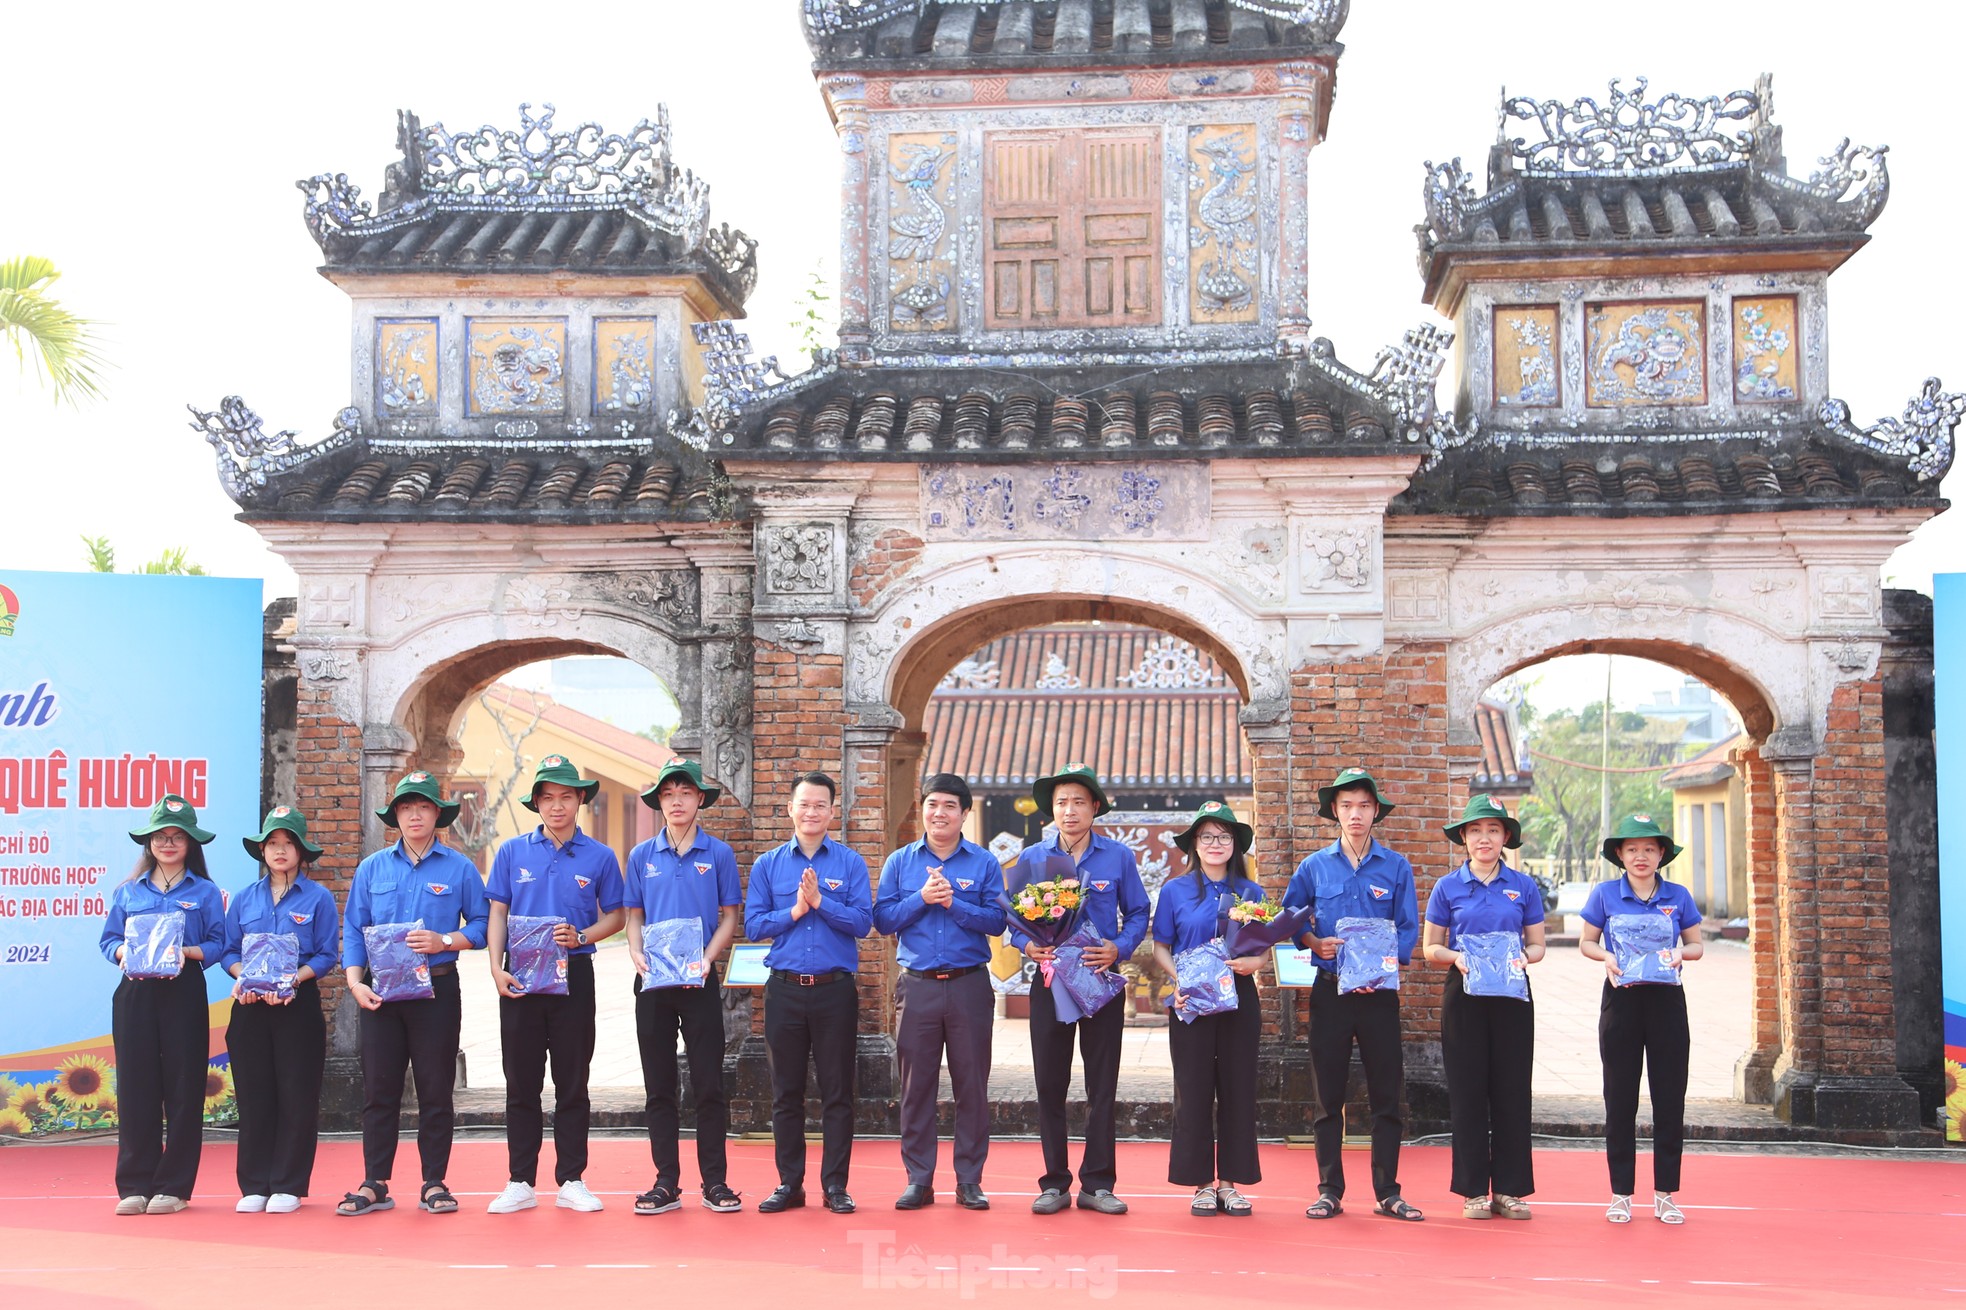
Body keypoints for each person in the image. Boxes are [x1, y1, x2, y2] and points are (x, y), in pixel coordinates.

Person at [336, 771, 488, 1218]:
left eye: (423, 806)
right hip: (381, 994)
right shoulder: (372, 868)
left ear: (437, 814)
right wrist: (354, 983)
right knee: (379, 1090)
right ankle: (374, 1182)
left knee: (435, 1089)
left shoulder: (459, 867)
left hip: (437, 990)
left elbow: (480, 927)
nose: (415, 814)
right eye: (406, 807)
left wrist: (445, 940)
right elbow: (353, 929)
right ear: (396, 816)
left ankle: (434, 1182)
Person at [484, 755, 625, 1215]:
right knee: (520, 1082)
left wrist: (582, 935)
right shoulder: (511, 852)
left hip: (574, 976)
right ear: (537, 803)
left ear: (580, 800)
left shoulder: (600, 857)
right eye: (548, 798)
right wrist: (494, 966)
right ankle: (519, 1180)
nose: (557, 806)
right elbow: (498, 913)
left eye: (566, 797)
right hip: (520, 977)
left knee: (572, 1080)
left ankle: (572, 1179)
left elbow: (617, 916)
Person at [1283, 767, 1423, 1222]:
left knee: (1387, 1095)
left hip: (1379, 997)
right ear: (1334, 812)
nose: (1356, 814)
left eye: (1364, 805)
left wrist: (1382, 966)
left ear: (1376, 811)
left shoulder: (1396, 866)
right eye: (1346, 806)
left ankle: (1388, 1192)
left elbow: (1407, 928)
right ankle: (1329, 1190)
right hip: (1331, 994)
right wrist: (1312, 943)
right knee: (1328, 1096)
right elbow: (1290, 919)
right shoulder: (1314, 867)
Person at [1010, 762, 1150, 1216]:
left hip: (1100, 985)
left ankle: (1097, 1183)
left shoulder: (1118, 857)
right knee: (1049, 1083)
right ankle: (1054, 1182)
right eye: (1060, 803)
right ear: (1051, 809)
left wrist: (1119, 948)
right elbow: (1009, 920)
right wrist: (1027, 944)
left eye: (1078, 802)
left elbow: (1139, 912)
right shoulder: (1033, 858)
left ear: (1095, 808)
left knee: (1102, 1084)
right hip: (1050, 982)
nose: (1068, 811)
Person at [874, 773, 1006, 1212]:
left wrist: (954, 904)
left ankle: (969, 1180)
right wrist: (922, 899)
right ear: (922, 808)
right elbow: (883, 920)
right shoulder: (900, 862)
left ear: (964, 813)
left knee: (972, 1085)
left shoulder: (983, 863)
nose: (939, 813)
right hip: (918, 987)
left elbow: (997, 922)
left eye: (950, 805)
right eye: (932, 804)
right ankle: (919, 1179)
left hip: (969, 985)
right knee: (916, 1088)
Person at [744, 771, 873, 1215]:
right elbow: (754, 925)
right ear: (790, 809)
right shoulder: (769, 864)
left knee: (838, 1091)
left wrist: (822, 903)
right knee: (786, 1092)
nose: (812, 812)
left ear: (832, 812)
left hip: (835, 991)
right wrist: (796, 909)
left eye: (821, 805)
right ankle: (789, 1183)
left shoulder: (850, 864)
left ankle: (835, 1186)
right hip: (784, 990)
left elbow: (862, 924)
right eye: (805, 804)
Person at [99, 795, 227, 1215]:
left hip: (183, 991)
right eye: (160, 836)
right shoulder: (128, 891)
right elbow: (109, 941)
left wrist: (186, 952)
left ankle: (174, 1185)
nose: (168, 843)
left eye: (177, 836)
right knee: (137, 1087)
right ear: (149, 842)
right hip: (135, 992)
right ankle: (135, 1184)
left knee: (184, 1087)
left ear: (191, 843)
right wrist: (124, 954)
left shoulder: (205, 892)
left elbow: (218, 943)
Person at [625, 759, 742, 1215]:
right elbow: (634, 917)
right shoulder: (640, 856)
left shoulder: (718, 855)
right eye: (668, 794)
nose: (676, 801)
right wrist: (636, 952)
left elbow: (729, 915)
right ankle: (665, 1182)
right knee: (659, 1086)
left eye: (685, 793)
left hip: (699, 981)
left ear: (699, 801)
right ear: (659, 802)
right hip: (652, 982)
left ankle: (715, 1181)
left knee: (709, 1084)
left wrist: (708, 958)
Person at [1421, 793, 1546, 1221]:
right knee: (1468, 1090)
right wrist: (1456, 957)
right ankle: (1474, 1189)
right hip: (1465, 993)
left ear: (1506, 837)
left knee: (1511, 1089)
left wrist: (1523, 958)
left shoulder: (1523, 886)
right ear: (1464, 838)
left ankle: (1510, 1190)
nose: (1484, 838)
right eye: (1475, 830)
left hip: (1512, 994)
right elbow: (1429, 947)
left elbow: (1537, 945)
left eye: (1493, 830)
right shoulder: (1448, 887)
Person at [1578, 813, 1705, 1226]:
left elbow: (1697, 946)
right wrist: (1606, 957)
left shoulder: (1679, 895)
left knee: (1669, 1098)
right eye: (1632, 849)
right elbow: (1586, 942)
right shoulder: (1604, 895)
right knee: (1620, 1099)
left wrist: (1679, 954)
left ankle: (1666, 1193)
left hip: (1667, 1002)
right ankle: (1620, 1194)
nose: (1641, 856)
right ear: (1619, 854)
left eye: (1649, 849)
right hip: (1622, 1000)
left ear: (1662, 853)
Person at [219, 805, 339, 1213]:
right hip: (250, 1004)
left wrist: (295, 978)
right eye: (273, 843)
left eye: (289, 843)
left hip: (296, 1004)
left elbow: (326, 954)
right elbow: (228, 951)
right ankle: (254, 1182)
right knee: (254, 1094)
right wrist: (242, 976)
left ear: (301, 851)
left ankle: (288, 1183)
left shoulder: (318, 898)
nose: (280, 850)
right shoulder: (244, 899)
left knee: (296, 1094)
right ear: (262, 851)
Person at [1151, 801, 1266, 1217]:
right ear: (1194, 845)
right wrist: (1178, 980)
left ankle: (1231, 1184)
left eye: (1224, 836)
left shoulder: (1251, 892)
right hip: (1192, 1002)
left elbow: (1264, 946)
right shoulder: (1174, 890)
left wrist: (1257, 963)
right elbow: (1160, 945)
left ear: (1234, 844)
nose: (1215, 844)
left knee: (1238, 1089)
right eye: (1207, 837)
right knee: (1194, 1090)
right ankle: (1201, 1183)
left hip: (1240, 1000)